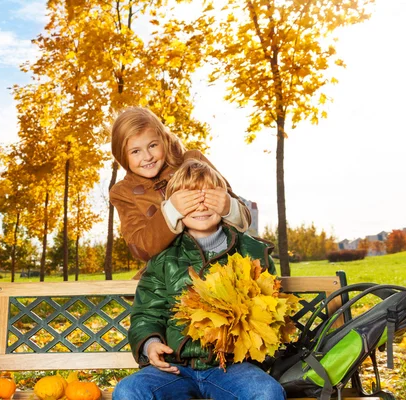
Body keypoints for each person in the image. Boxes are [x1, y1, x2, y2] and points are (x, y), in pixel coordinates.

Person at [112, 159, 284, 400]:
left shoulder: (252, 253)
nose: (201, 207)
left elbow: (270, 309)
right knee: (129, 390)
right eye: (190, 201)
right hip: (175, 368)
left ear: (224, 203)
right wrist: (150, 343)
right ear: (175, 209)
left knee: (267, 392)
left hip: (231, 367)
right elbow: (147, 312)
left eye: (209, 198)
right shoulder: (164, 258)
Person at [109, 106, 252, 264]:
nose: (147, 156)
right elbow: (141, 249)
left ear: (164, 140)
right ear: (122, 155)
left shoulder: (193, 160)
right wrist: (172, 211)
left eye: (152, 146)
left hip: (220, 256)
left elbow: (245, 217)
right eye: (135, 151)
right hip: (169, 271)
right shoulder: (123, 192)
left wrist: (229, 207)